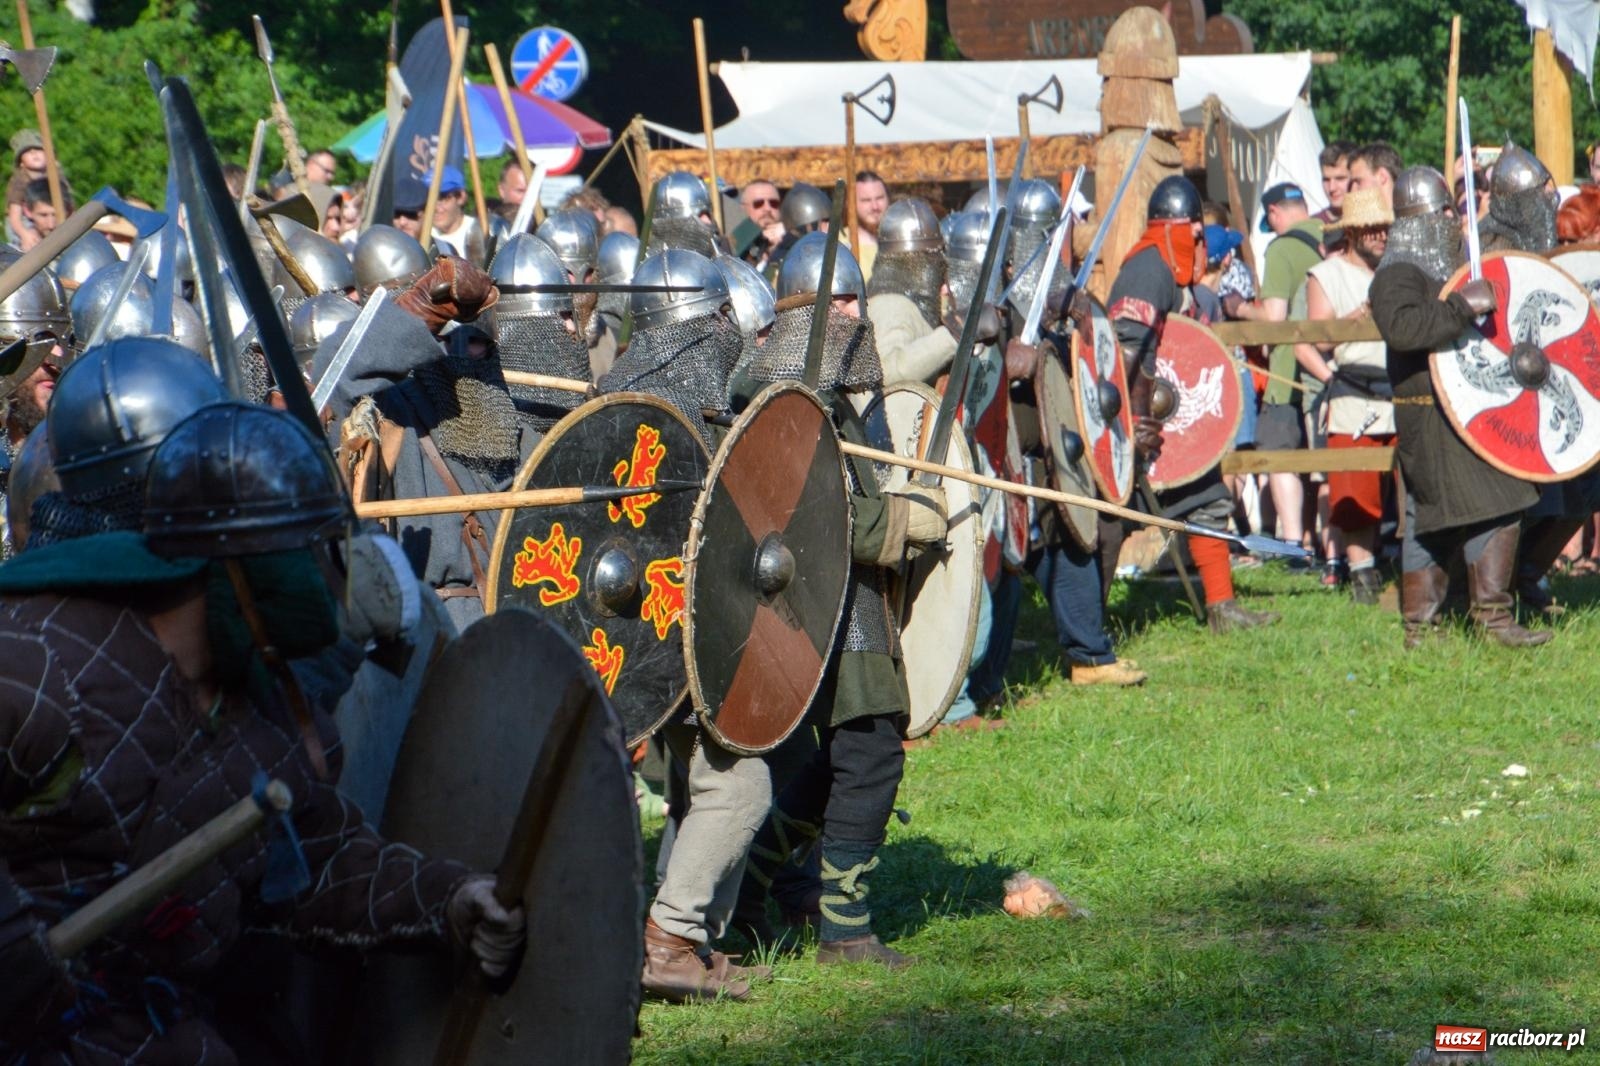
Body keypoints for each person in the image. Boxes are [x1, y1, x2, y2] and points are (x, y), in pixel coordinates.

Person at [0, 400, 522, 1063]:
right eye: (309, 550)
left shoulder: (261, 713)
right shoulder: (43, 659)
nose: (327, 580)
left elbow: (320, 862)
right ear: (244, 555)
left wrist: (448, 898)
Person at [737, 232, 948, 970]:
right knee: (871, 754)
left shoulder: (824, 395)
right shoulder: (778, 399)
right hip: (819, 608)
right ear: (807, 310)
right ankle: (845, 930)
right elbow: (812, 517)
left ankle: (749, 890)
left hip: (843, 602)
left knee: (844, 757)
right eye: (846, 301)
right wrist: (902, 523)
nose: (860, 314)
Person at [1369, 165, 1547, 649]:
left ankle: (1488, 619)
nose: (1454, 220)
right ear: (1420, 221)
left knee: (1499, 499)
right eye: (1444, 212)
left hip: (1464, 412)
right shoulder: (1396, 275)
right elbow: (1403, 329)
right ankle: (1427, 627)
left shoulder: (1447, 269)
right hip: (1429, 415)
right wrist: (1461, 307)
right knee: (1434, 518)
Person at [1111, 175, 1279, 633]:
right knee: (1113, 522)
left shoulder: (1167, 269)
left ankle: (1222, 608)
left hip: (1174, 421)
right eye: (1196, 234)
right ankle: (1086, 629)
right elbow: (1127, 350)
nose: (1201, 244)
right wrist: (1139, 422)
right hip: (1140, 422)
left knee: (1208, 501)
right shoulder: (1147, 269)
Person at [322, 255, 517, 630]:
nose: (460, 352)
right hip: (437, 632)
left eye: (476, 341)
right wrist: (426, 304)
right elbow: (335, 373)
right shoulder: (394, 411)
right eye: (442, 338)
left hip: (518, 626)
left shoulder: (515, 425)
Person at [1293, 187, 1395, 604]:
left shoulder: (1397, 272)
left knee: (1401, 489)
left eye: (1385, 228)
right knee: (1355, 492)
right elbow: (1318, 340)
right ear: (1352, 232)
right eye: (1372, 228)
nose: (1381, 236)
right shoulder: (1326, 274)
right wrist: (1360, 314)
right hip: (1353, 391)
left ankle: (1403, 570)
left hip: (1398, 389)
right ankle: (1362, 575)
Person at [1228, 182, 1323, 562]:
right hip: (1328, 367)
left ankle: (1293, 547)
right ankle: (1317, 546)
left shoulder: (1282, 248)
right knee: (1319, 463)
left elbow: (1274, 316)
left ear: (1274, 213)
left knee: (1278, 456)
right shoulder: (1330, 237)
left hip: (1288, 372)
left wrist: (1239, 309)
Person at [488, 231, 594, 431]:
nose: (571, 326)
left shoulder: (579, 398)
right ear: (525, 329)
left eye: (569, 315)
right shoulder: (497, 426)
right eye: (563, 316)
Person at [865, 197, 957, 385]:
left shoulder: (905, 303)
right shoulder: (889, 306)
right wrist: (953, 336)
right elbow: (887, 372)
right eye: (930, 262)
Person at [428, 165, 485, 266]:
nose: (436, 207)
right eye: (429, 198)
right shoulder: (424, 236)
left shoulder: (480, 231)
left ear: (461, 197)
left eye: (443, 198)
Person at [739, 179, 786, 272]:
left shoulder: (792, 245)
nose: (767, 208)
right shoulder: (732, 247)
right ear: (743, 209)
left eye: (774, 203)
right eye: (759, 203)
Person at [853, 170, 889, 277]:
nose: (875, 207)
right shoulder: (839, 244)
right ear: (851, 203)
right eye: (866, 200)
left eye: (879, 198)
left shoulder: (902, 239)